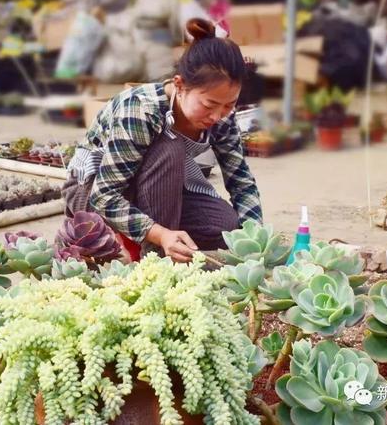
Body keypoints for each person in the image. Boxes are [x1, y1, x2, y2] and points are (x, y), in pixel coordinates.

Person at [62, 18, 263, 263]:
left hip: (159, 190)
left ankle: (148, 233)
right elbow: (104, 195)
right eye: (209, 104)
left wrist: (255, 237)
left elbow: (241, 181)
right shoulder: (139, 110)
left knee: (227, 227)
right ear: (180, 85)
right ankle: (155, 260)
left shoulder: (222, 118)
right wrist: (160, 234)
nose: (217, 115)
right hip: (94, 190)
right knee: (170, 147)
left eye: (229, 105)